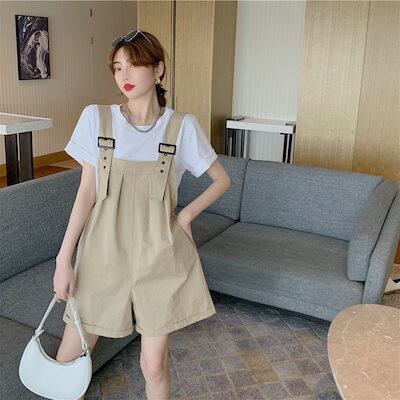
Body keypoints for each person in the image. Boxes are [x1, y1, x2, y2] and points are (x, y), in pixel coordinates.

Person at [52, 30, 231, 399]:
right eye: (118, 67)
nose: (124, 75)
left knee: (154, 366)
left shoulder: (182, 127)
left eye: (134, 65)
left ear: (158, 69)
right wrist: (63, 258)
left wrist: (185, 217)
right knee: (69, 357)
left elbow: (221, 180)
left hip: (158, 256)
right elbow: (86, 193)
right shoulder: (96, 118)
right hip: (101, 254)